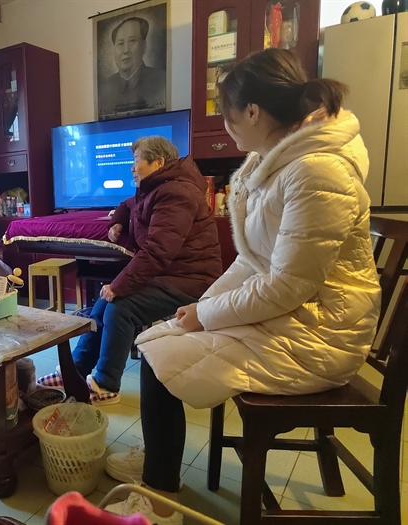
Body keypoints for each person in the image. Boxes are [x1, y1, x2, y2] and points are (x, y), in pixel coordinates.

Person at [104, 49, 381, 524]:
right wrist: (203, 306)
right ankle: (159, 460)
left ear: (253, 112)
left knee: (159, 356)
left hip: (321, 334)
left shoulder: (318, 172)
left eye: (227, 113)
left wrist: (206, 313)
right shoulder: (277, 162)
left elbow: (287, 286)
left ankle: (160, 495)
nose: (225, 125)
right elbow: (253, 261)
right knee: (159, 338)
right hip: (295, 314)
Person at [43, 136, 221, 405]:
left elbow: (157, 252)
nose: (132, 167)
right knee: (103, 303)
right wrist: (117, 222)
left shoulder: (176, 194)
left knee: (120, 307)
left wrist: (118, 286)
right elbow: (128, 205)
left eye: (137, 160)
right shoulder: (156, 188)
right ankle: (75, 373)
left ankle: (105, 385)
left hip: (190, 280)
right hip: (168, 274)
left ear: (158, 163)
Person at [98, 17, 166, 119]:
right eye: (120, 44)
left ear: (144, 46)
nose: (126, 50)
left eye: (132, 41)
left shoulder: (161, 80)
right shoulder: (104, 88)